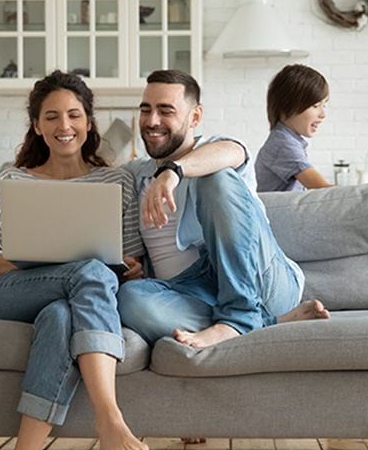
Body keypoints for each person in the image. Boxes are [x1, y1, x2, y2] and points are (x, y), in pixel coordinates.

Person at [0, 70, 154, 450]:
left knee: (61, 316)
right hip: (15, 291)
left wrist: (131, 264)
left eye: (73, 115)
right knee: (86, 271)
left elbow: (129, 253)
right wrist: (27, 261)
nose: (63, 125)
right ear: (37, 125)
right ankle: (109, 417)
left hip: (73, 300)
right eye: (52, 116)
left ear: (89, 122)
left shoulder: (117, 181)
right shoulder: (12, 181)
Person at [118, 69, 330, 351]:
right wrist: (133, 267)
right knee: (129, 299)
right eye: (146, 110)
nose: (152, 121)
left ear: (194, 117)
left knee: (216, 175)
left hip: (260, 278)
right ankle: (266, 321)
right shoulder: (135, 174)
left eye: (165, 110)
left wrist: (174, 171)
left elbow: (232, 153)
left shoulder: (218, 149)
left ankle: (239, 316)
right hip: (191, 291)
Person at [255, 64, 332, 192]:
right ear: (287, 106)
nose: (323, 114)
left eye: (324, 105)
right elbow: (324, 190)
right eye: (315, 105)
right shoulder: (283, 145)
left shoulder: (288, 141)